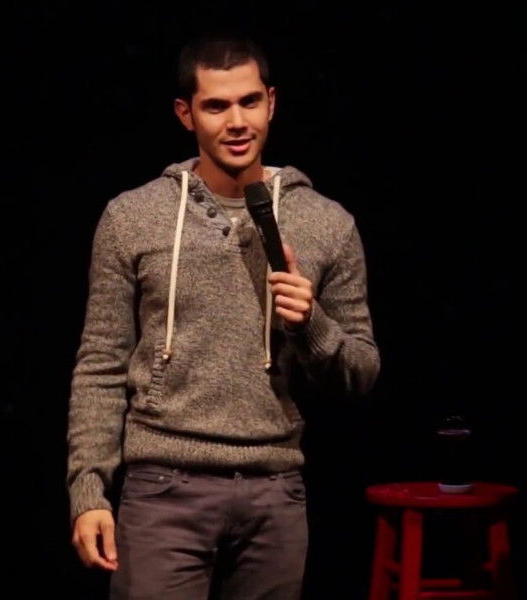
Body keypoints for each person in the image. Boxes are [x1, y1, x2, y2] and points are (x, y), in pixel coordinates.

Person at [67, 33, 380, 600]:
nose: (237, 122)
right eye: (216, 106)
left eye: (249, 102)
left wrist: (311, 324)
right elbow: (101, 365)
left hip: (274, 491)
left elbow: (361, 372)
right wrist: (88, 490)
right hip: (162, 489)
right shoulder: (132, 217)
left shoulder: (327, 223)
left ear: (271, 103)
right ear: (185, 113)